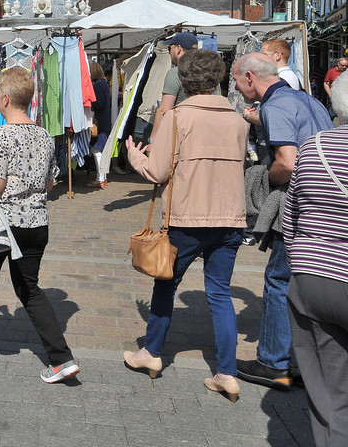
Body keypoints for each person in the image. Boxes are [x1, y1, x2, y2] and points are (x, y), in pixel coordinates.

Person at [123, 50, 247, 401]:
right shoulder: (238, 121)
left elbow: (157, 172)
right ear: (218, 78)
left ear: (184, 79)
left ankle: (151, 353)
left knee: (166, 285)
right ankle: (227, 372)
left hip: (187, 218)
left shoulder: (177, 118)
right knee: (220, 295)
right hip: (230, 219)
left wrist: (135, 156)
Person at [0, 67, 80, 383]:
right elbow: (50, 185)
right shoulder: (43, 135)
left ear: (6, 98)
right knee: (29, 289)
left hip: (1, 223)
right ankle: (61, 358)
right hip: (36, 222)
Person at [231, 52, 332, 390]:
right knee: (306, 286)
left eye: (236, 82)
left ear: (249, 78)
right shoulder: (308, 100)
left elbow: (288, 163)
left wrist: (262, 180)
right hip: (328, 206)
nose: (237, 89)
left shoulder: (275, 107)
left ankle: (274, 363)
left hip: (301, 205)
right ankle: (304, 363)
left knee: (279, 280)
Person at [283, 70, 348, 446]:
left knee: (330, 397)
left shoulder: (315, 145)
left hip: (313, 279)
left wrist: (304, 263)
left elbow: (291, 216)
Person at [148, 32, 197, 148]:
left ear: (178, 49)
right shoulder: (206, 73)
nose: (169, 52)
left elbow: (164, 109)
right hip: (200, 132)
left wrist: (153, 141)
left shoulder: (175, 73)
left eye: (170, 48)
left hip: (179, 134)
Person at [87, 61, 111, 189]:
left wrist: (89, 101)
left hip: (99, 122)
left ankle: (101, 178)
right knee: (98, 149)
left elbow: (99, 103)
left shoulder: (98, 85)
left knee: (97, 149)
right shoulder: (104, 84)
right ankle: (101, 177)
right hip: (104, 121)